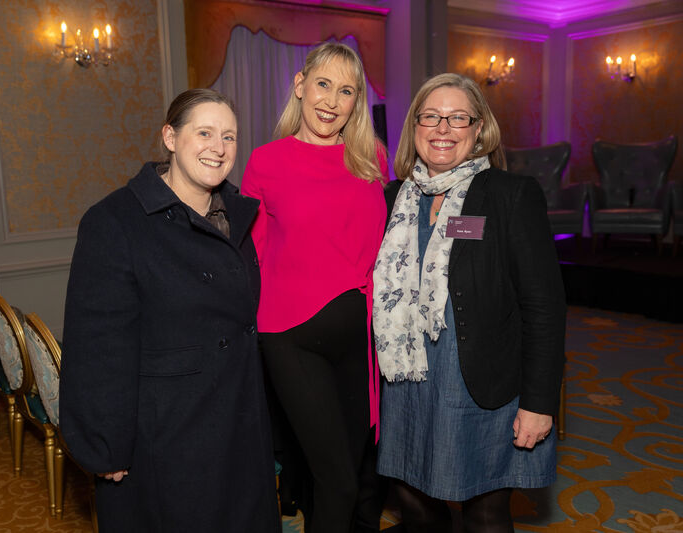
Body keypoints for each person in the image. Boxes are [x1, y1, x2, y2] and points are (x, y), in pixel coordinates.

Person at [59, 89, 281, 533]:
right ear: (170, 137)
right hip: (166, 436)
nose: (218, 148)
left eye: (230, 137)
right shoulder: (115, 221)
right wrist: (105, 446)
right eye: (204, 132)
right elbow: (97, 347)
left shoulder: (238, 215)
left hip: (238, 420)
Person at [372, 72, 566, 532]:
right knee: (414, 504)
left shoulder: (509, 196)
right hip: (406, 381)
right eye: (431, 116)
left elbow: (544, 306)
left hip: (480, 385)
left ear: (479, 130)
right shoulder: (394, 198)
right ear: (414, 126)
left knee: (485, 512)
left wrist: (539, 402)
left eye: (458, 118)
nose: (443, 128)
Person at [241, 42, 387, 533]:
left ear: (355, 102)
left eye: (346, 90)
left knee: (355, 484)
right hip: (290, 337)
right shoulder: (266, 161)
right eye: (323, 84)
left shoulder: (372, 161)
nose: (331, 100)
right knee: (337, 483)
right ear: (300, 87)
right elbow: (251, 254)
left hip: (357, 342)